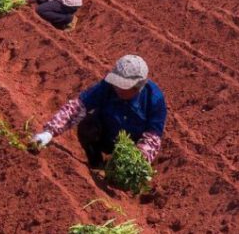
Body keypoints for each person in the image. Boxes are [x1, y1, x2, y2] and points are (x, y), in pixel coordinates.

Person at [30, 54, 166, 171]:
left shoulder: (154, 99)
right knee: (87, 124)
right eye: (116, 83)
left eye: (123, 85)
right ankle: (96, 163)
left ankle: (114, 170)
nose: (117, 88)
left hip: (130, 148)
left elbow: (152, 139)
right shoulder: (107, 86)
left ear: (138, 87)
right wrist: (49, 132)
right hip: (105, 137)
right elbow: (77, 106)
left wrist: (133, 162)